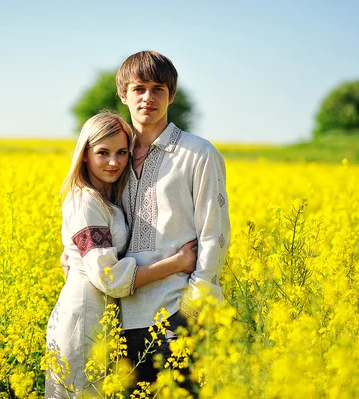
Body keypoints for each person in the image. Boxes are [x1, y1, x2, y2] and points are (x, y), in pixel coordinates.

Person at [45, 111, 198, 398]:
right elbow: (110, 278)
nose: (114, 162)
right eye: (103, 152)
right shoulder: (86, 201)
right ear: (85, 155)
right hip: (84, 318)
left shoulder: (106, 198)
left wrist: (69, 254)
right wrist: (177, 262)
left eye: (122, 152)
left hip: (103, 317)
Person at [114, 50, 231, 391]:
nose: (148, 97)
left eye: (158, 89)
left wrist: (191, 309)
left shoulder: (198, 153)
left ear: (172, 96)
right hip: (118, 322)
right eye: (138, 89)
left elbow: (215, 233)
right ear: (124, 94)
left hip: (175, 316)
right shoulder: (111, 156)